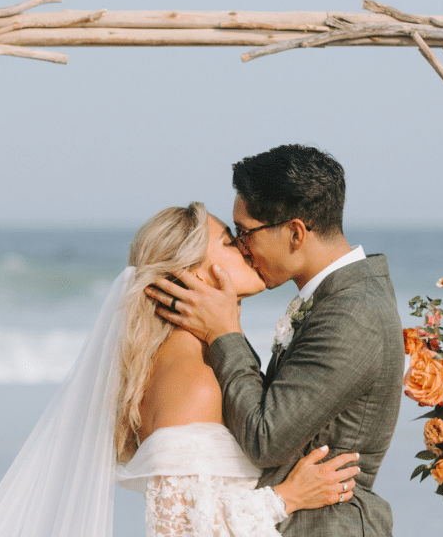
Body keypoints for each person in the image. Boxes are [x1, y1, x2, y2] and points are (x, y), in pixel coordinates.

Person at [0, 201, 359, 537]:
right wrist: (287, 498)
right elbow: (178, 529)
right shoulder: (194, 381)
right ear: (190, 271)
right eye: (228, 242)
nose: (246, 248)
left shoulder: (191, 361)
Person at [146, 145, 404, 537]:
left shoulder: (353, 311)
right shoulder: (333, 299)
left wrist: (224, 332)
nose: (244, 248)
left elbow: (266, 439)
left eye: (245, 233)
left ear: (295, 233)